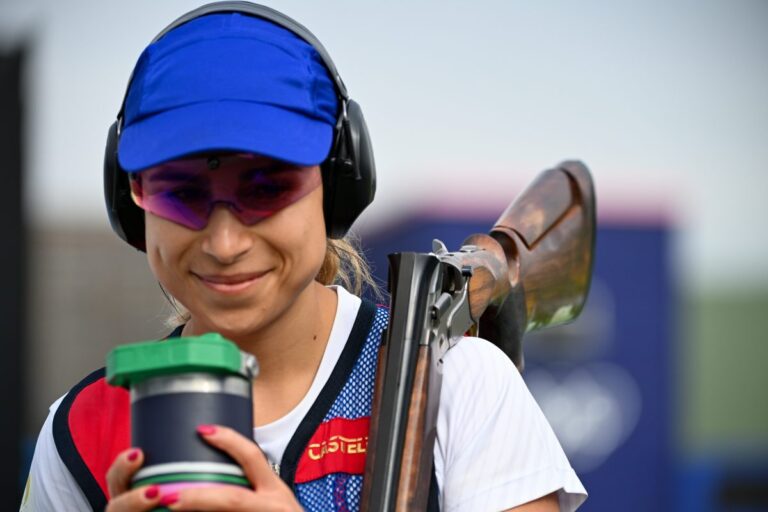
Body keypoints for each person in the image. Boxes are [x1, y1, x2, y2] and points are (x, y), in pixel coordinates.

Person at [21, 3, 587, 511]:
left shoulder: (458, 383)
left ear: (340, 183)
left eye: (267, 187)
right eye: (180, 192)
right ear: (131, 203)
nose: (224, 244)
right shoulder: (81, 430)